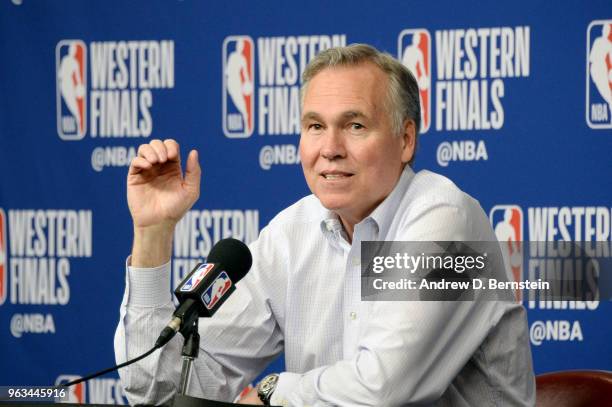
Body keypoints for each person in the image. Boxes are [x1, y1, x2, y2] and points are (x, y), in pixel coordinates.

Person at [115, 44, 535, 406]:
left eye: (355, 125)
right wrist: (153, 234)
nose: (330, 149)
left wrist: (274, 392)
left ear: (406, 140)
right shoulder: (293, 233)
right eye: (315, 126)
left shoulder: (445, 221)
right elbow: (163, 392)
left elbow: (383, 389)